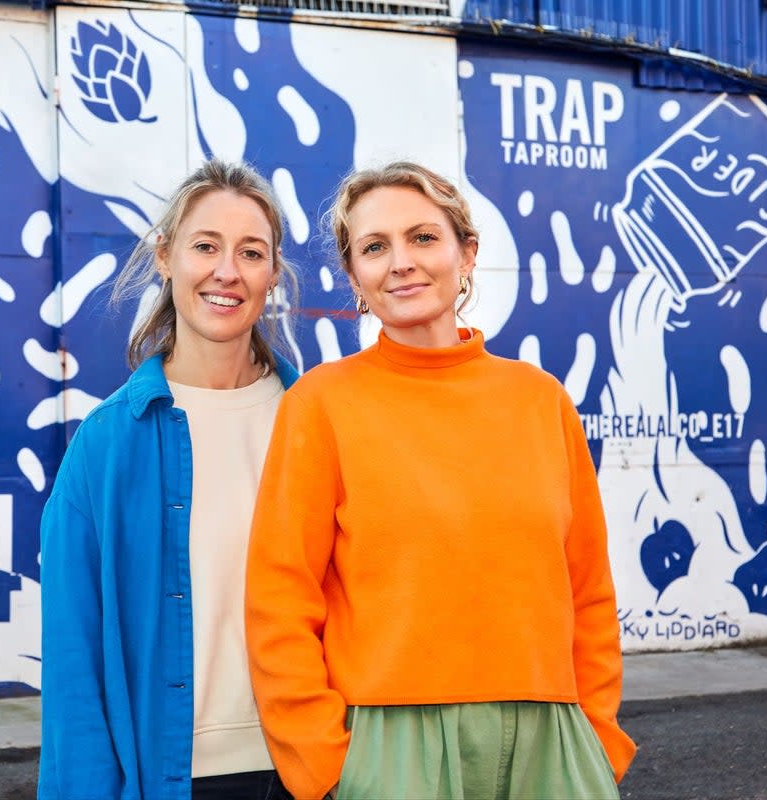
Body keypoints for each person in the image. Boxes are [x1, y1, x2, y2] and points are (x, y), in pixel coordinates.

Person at [245, 161, 636, 800]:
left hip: (554, 743)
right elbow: (279, 599)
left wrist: (595, 737)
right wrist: (326, 764)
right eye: (375, 247)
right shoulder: (321, 404)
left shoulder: (542, 402)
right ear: (355, 277)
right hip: (393, 751)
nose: (400, 262)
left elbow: (587, 589)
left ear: (467, 253)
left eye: (423, 237)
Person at [38, 159, 300, 800]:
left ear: (273, 274)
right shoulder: (106, 445)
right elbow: (75, 665)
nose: (227, 271)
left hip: (311, 772)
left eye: (251, 252)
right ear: (165, 257)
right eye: (205, 246)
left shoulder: (315, 423)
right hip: (172, 780)